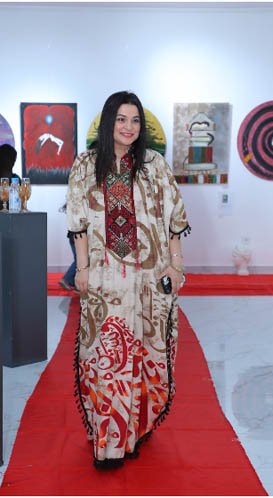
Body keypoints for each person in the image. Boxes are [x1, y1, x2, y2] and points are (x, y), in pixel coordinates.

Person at [67, 91, 189, 468]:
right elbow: (78, 222)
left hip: (150, 279)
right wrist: (82, 269)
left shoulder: (154, 164)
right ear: (108, 122)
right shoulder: (86, 164)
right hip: (105, 280)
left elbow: (175, 219)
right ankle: (110, 444)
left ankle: (134, 432)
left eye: (135, 120)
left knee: (147, 356)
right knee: (107, 361)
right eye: (121, 119)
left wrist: (176, 267)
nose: (128, 127)